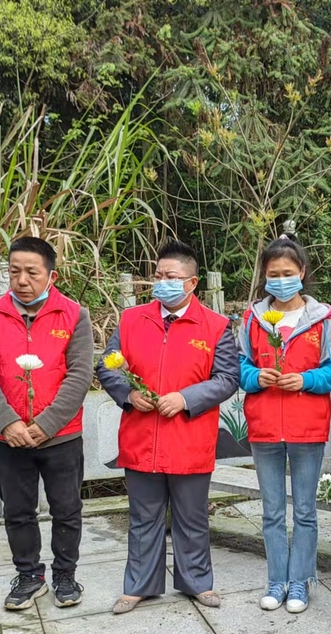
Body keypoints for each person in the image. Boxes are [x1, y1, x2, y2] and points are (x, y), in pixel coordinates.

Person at [97, 239, 239, 614]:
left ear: (191, 283)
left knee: (192, 518)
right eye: (158, 275)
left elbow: (227, 378)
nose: (162, 282)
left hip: (189, 438)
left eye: (171, 276)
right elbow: (107, 365)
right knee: (144, 517)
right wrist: (128, 394)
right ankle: (139, 584)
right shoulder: (132, 319)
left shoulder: (215, 325)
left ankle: (197, 582)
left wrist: (186, 399)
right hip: (142, 436)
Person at [0, 236, 93, 610]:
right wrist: (8, 423)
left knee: (67, 509)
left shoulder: (73, 314)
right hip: (9, 439)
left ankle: (65, 574)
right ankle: (29, 575)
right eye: (14, 271)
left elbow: (80, 374)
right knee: (18, 511)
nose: (22, 280)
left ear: (51, 276)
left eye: (32, 272)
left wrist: (48, 423)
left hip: (61, 437)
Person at [237, 231, 331, 614]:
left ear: (302, 272)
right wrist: (255, 377)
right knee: (272, 511)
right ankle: (276, 581)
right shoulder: (254, 319)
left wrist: (306, 380)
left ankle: (300, 581)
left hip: (307, 426)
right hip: (265, 426)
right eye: (273, 273)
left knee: (305, 512)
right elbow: (239, 367)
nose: (280, 279)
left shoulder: (321, 320)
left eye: (287, 271)